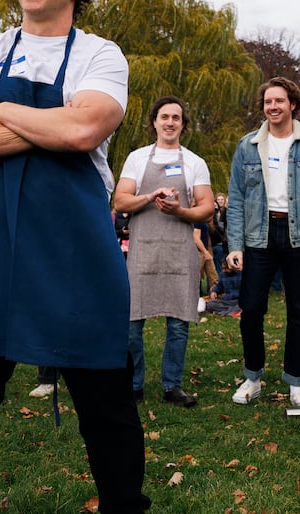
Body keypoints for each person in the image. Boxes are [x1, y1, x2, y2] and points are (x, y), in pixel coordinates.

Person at [0, 0, 149, 513]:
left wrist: (0, 110)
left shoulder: (101, 55)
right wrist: (50, 122)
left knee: (104, 394)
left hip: (75, 243)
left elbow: (84, 134)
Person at [225, 76, 300, 409]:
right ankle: (253, 378)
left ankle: (296, 382)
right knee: (250, 310)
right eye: (267, 102)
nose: (272, 107)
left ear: (293, 104)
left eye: (279, 101)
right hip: (258, 236)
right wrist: (235, 245)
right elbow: (236, 197)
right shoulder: (247, 146)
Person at [112, 96, 215, 407]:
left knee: (178, 323)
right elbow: (121, 202)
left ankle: (172, 385)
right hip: (143, 250)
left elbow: (207, 208)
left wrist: (179, 211)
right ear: (154, 122)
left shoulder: (195, 162)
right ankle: (134, 384)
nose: (170, 122)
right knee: (132, 323)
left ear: (183, 124)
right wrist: (151, 196)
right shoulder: (137, 158)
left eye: (176, 118)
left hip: (179, 252)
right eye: (164, 116)